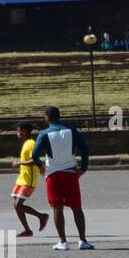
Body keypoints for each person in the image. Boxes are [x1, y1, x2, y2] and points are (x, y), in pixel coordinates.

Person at [32, 106, 94, 250]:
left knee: (57, 208)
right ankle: (83, 240)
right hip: (70, 173)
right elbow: (84, 149)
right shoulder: (71, 131)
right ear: (59, 116)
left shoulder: (44, 134)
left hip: (53, 175)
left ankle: (63, 242)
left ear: (47, 117)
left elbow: (35, 155)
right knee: (77, 208)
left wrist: (41, 167)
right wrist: (83, 168)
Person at [10, 121, 49, 237]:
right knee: (16, 205)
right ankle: (27, 230)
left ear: (23, 132)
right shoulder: (26, 143)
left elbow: (35, 160)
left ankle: (42, 216)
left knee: (18, 205)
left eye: (17, 130)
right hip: (22, 178)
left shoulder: (31, 143)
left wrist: (19, 163)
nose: (16, 133)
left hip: (29, 180)